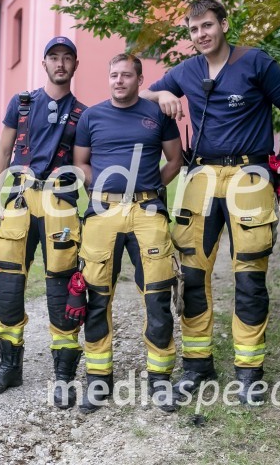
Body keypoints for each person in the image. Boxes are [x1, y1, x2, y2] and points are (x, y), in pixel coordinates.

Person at [140, 0, 280, 405]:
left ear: (224, 25)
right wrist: (161, 97)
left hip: (250, 175)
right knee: (192, 274)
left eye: (208, 26)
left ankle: (249, 373)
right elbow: (143, 92)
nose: (202, 34)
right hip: (201, 177)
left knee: (249, 276)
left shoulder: (255, 62)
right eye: (194, 29)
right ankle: (198, 365)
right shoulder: (187, 70)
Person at [0, 36, 88, 408]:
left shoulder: (83, 114)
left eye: (67, 58)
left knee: (61, 285)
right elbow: (2, 150)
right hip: (19, 199)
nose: (60, 63)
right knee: (8, 284)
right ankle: (10, 368)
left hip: (61, 202)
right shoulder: (22, 103)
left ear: (75, 65)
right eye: (54, 57)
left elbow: (86, 162)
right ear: (44, 63)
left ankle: (64, 376)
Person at [73, 53, 183, 413]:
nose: (119, 81)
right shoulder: (91, 117)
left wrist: (149, 187)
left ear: (139, 79)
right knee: (96, 296)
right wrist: (102, 187)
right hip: (102, 212)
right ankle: (98, 379)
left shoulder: (157, 115)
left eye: (126, 75)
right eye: (114, 75)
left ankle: (160, 378)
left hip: (148, 212)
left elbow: (175, 160)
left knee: (157, 294)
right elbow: (80, 162)